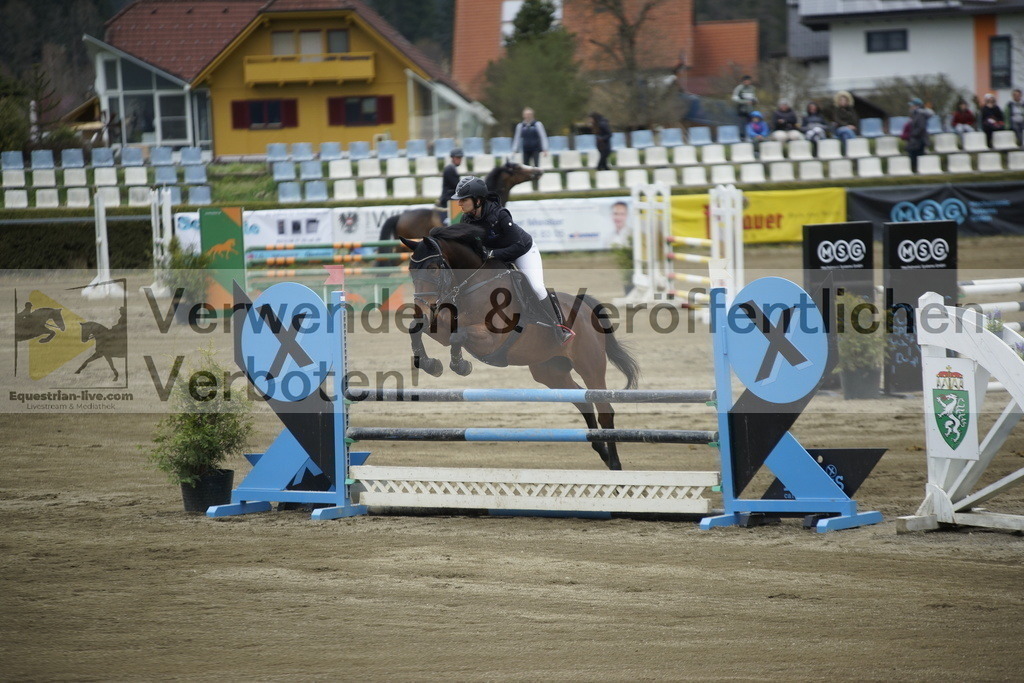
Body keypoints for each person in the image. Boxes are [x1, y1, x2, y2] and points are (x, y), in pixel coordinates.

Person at [450, 176, 573, 343]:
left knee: (536, 287)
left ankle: (560, 327)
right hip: (497, 256)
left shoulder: (500, 215)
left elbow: (519, 245)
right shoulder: (467, 219)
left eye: (463, 200)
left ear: (477, 200)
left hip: (523, 252)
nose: (459, 203)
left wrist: (492, 254)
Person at [437, 147, 464, 223]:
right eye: (458, 157)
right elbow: (457, 186)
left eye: (460, 158)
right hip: (449, 197)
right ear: (452, 158)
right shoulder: (449, 169)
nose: (460, 159)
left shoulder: (453, 168)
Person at [906, 97, 931, 173]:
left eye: (912, 105)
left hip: (919, 141)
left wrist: (912, 134)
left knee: (917, 158)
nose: (910, 107)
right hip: (915, 140)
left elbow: (921, 127)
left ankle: (918, 172)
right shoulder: (915, 115)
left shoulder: (920, 115)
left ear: (917, 106)